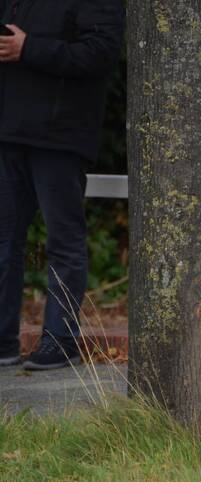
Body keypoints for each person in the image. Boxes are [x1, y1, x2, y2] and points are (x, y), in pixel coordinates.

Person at [0, 0, 123, 370]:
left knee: (63, 242)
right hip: (8, 133)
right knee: (4, 241)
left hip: (61, 137)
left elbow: (100, 53)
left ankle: (60, 341)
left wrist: (29, 48)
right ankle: (3, 342)